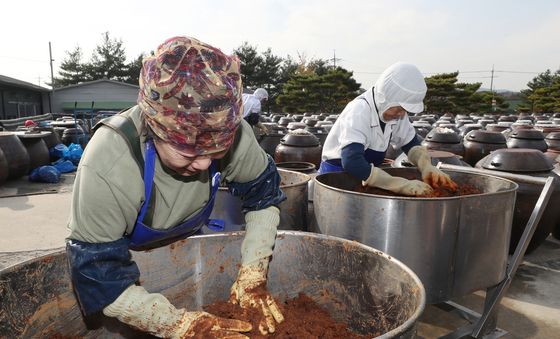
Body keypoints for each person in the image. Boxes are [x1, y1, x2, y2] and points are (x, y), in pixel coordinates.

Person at [66, 36, 286, 338]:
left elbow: (263, 194)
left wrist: (253, 274)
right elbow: (99, 274)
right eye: (190, 153)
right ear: (154, 128)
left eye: (216, 151)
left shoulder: (236, 135)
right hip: (122, 273)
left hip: (188, 246)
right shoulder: (109, 162)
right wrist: (180, 325)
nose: (205, 165)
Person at [319, 62, 457, 195]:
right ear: (384, 98)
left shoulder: (396, 114)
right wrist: (397, 184)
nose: (402, 114)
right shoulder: (359, 110)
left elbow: (410, 143)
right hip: (337, 180)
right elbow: (351, 161)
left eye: (405, 110)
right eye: (399, 109)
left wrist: (426, 165)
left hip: (366, 178)